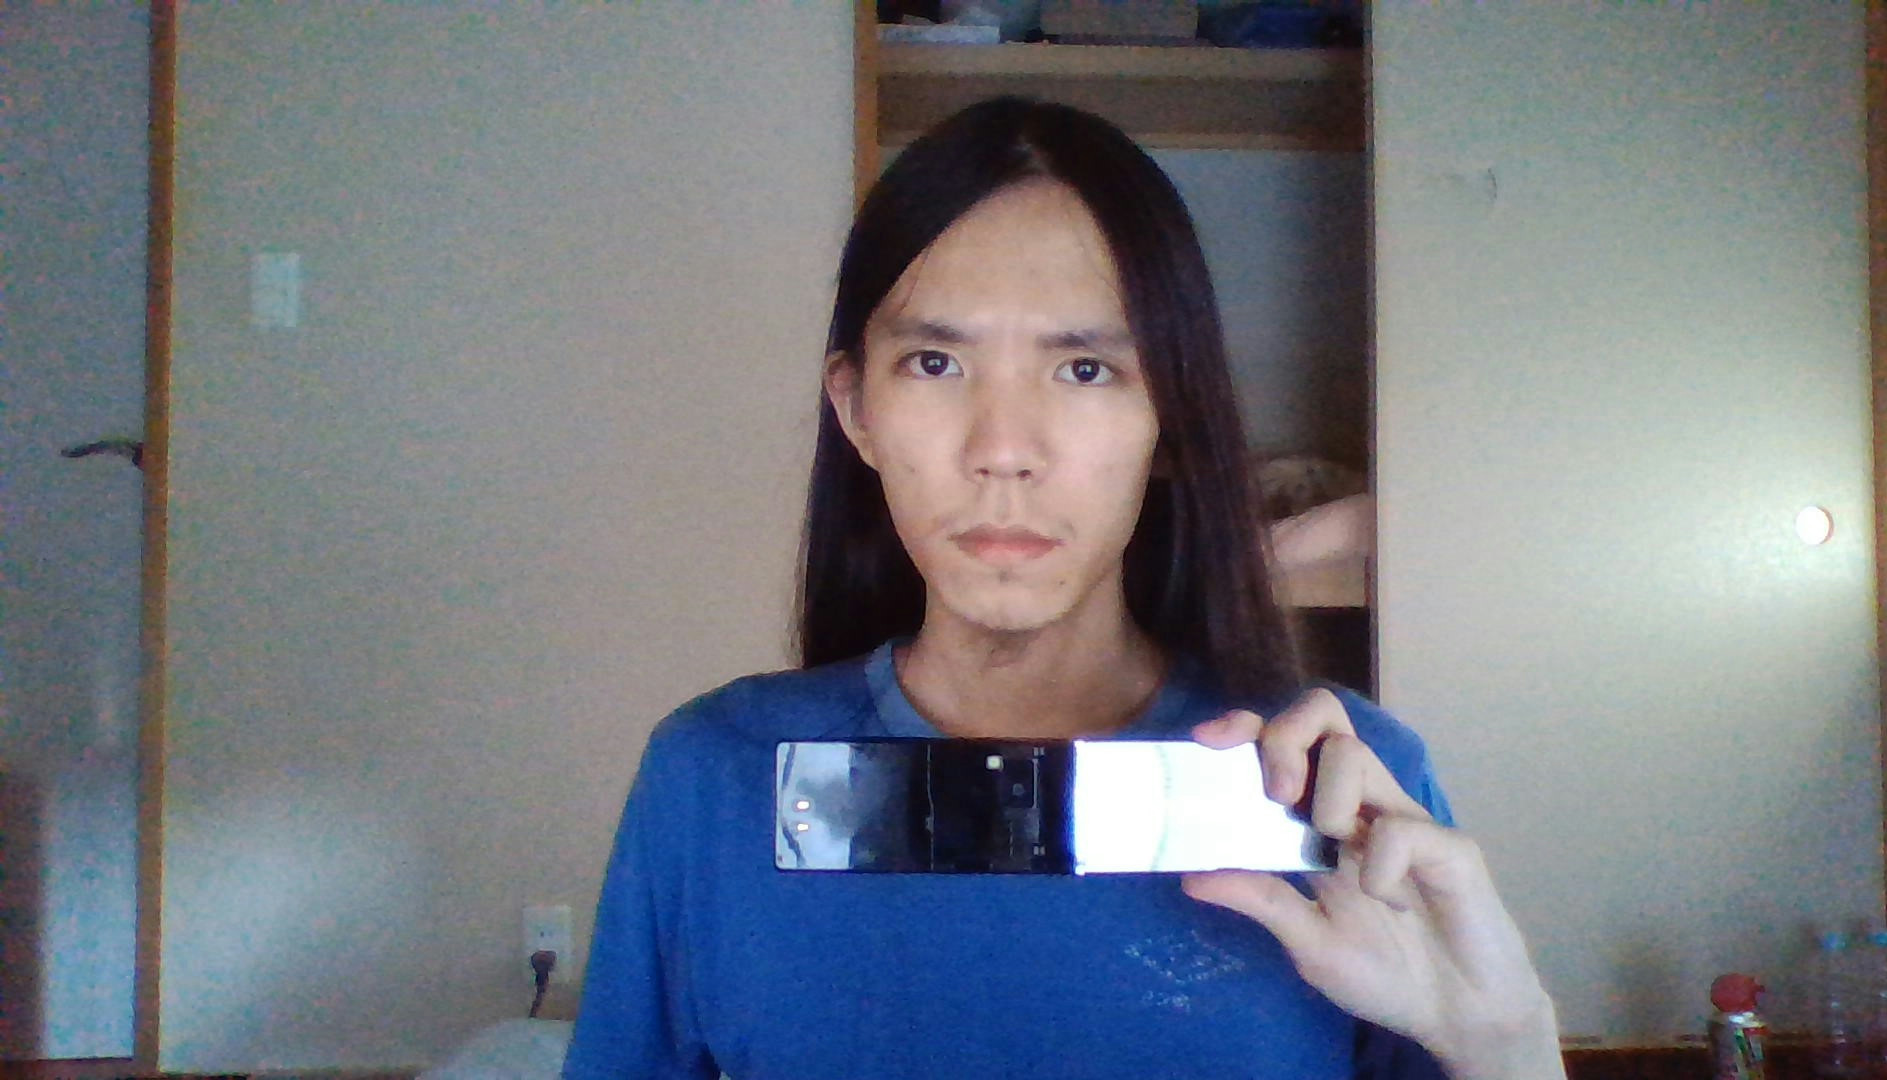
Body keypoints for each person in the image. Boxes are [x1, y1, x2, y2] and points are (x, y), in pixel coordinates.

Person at [562, 97, 1563, 1080]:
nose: (1003, 449)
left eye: (1085, 370)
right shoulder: (714, 779)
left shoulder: (1347, 792)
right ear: (857, 409)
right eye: (934, 361)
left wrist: (1507, 1048)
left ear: (1169, 418)